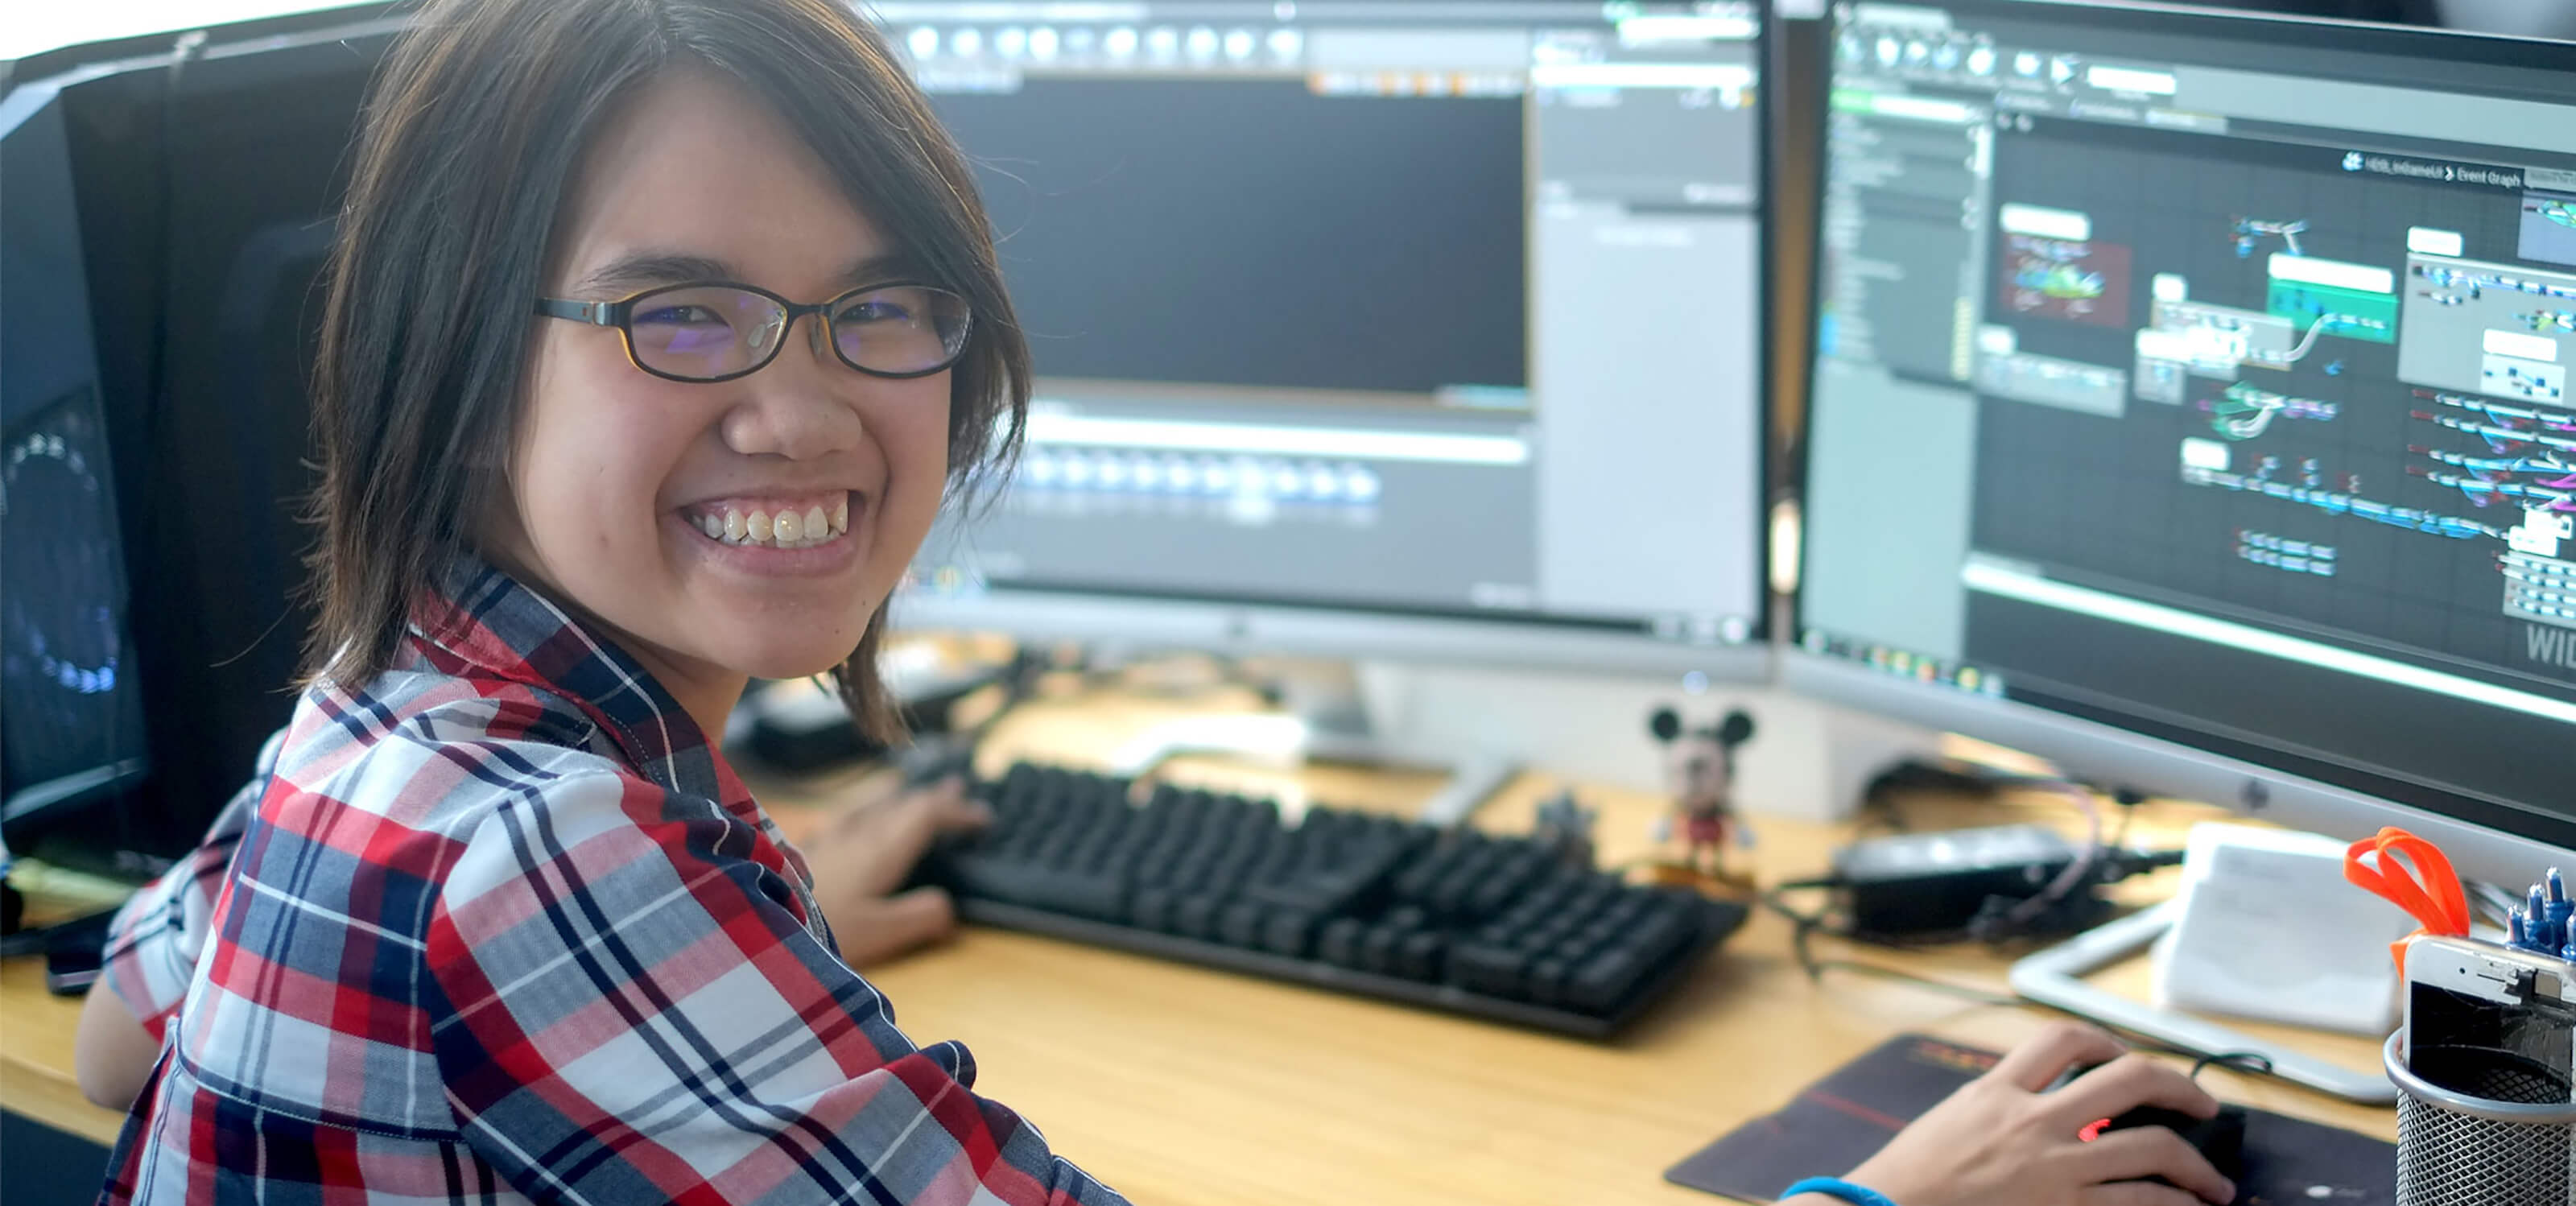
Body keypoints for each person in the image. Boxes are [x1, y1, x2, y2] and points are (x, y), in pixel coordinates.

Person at [70, 1, 2240, 1203]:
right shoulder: (555, 855)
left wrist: (754, 910)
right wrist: (1889, 1203)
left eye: (881, 307)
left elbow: (115, 1025)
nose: (810, 412)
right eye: (681, 319)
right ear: (459, 368)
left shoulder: (383, 714)